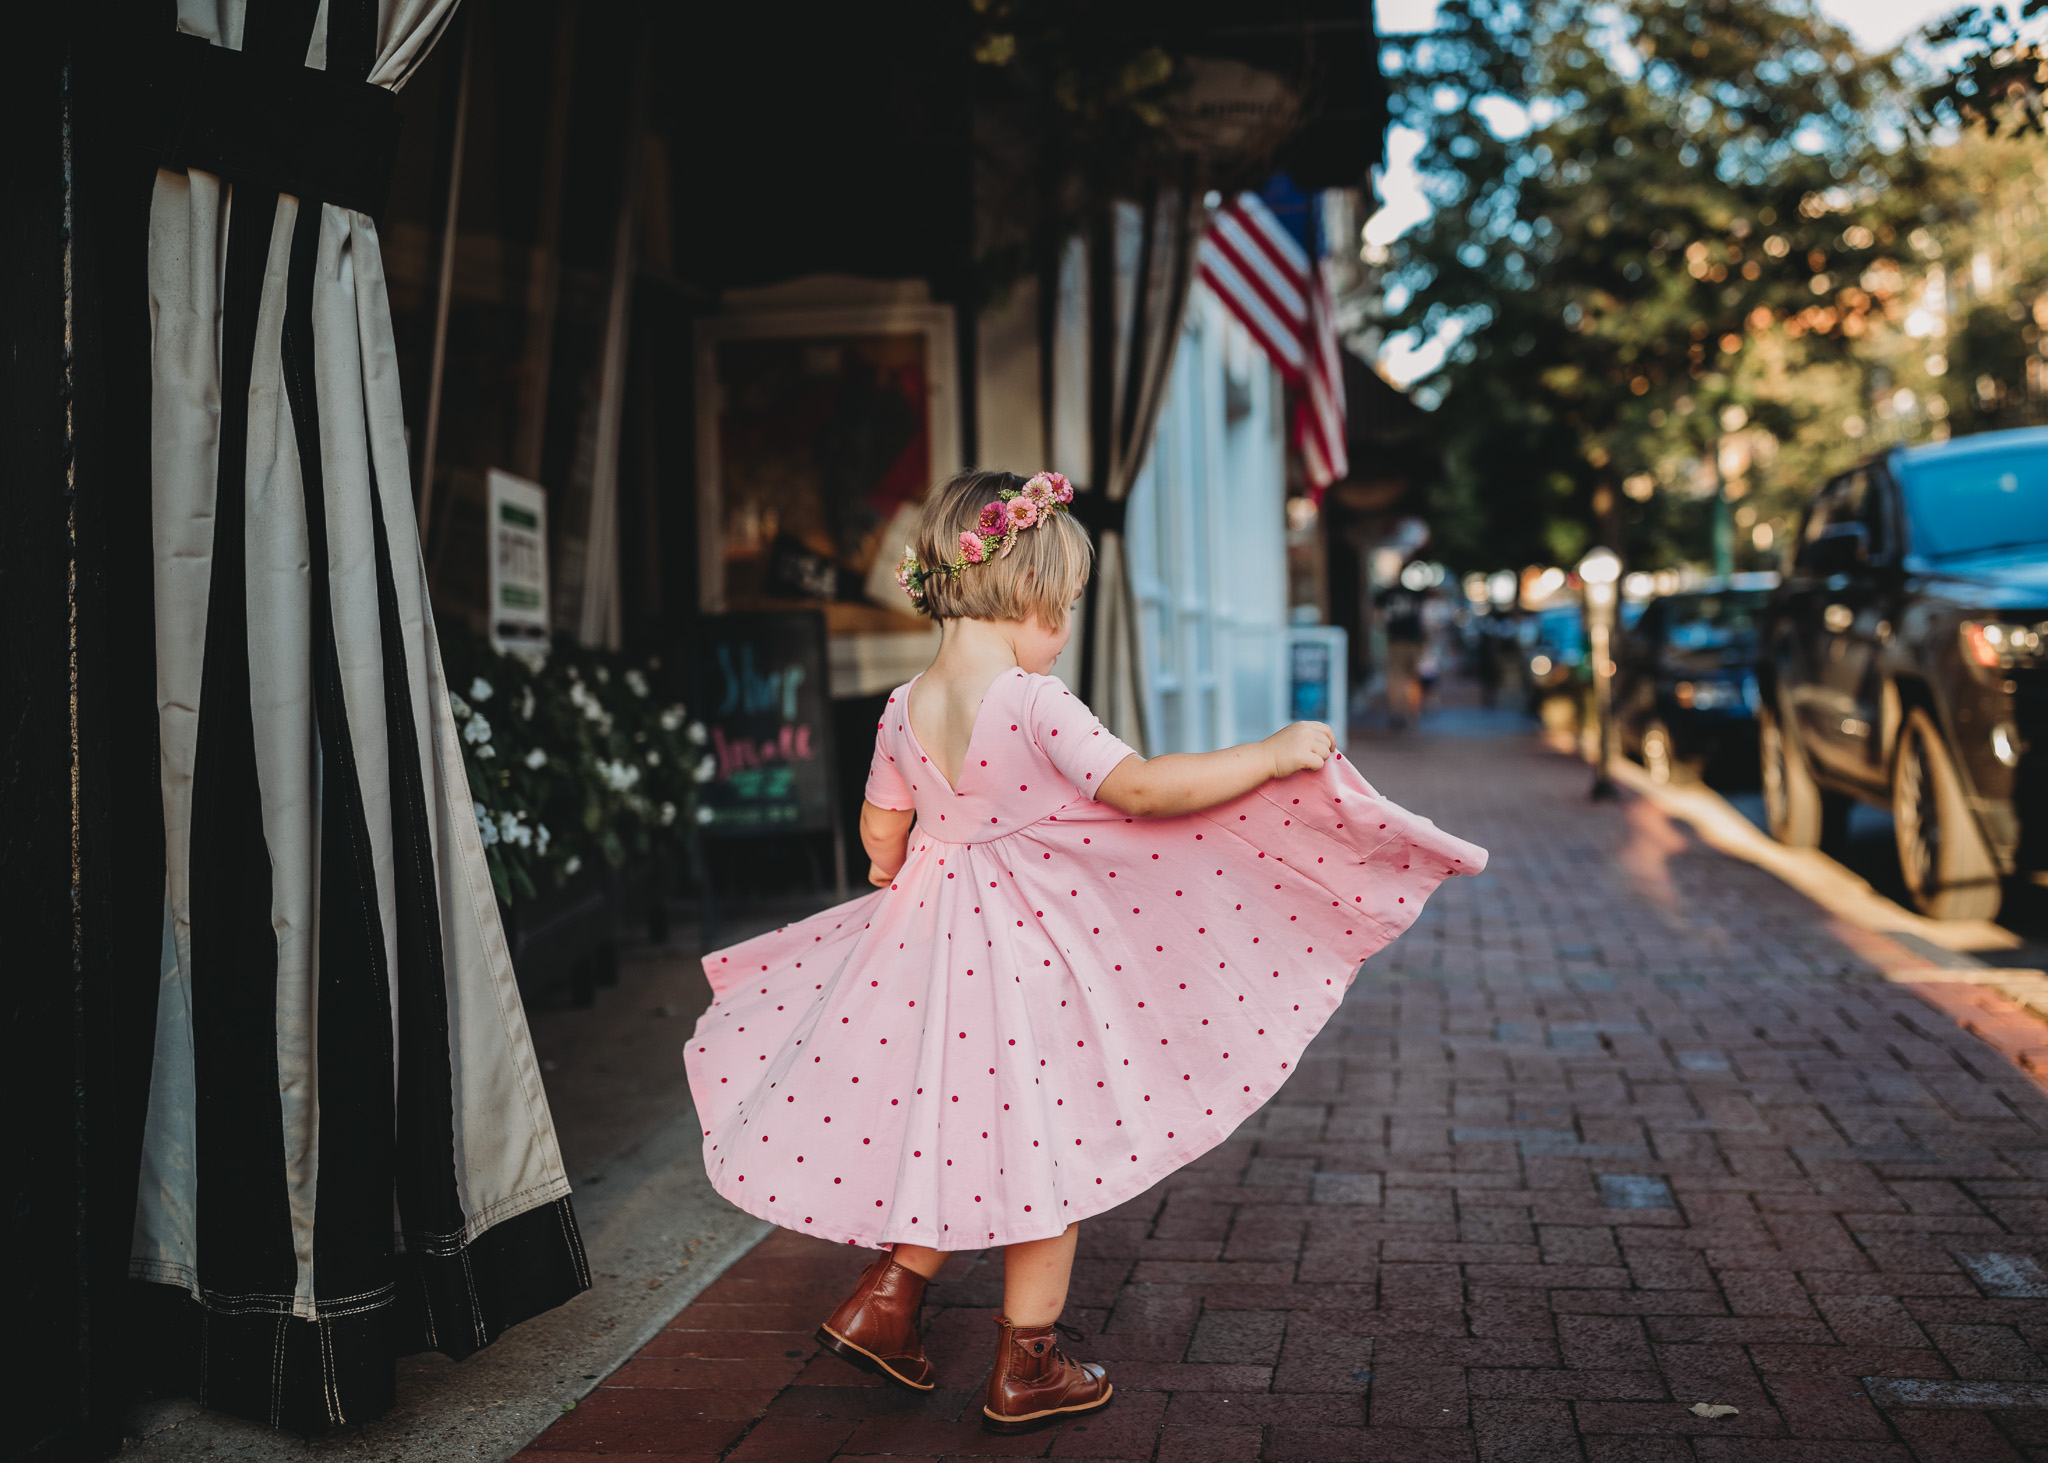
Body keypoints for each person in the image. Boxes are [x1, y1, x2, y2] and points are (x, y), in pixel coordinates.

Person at [684, 470, 1487, 1435]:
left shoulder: (900, 706)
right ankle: (1027, 1365)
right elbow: (1144, 789)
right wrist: (1272, 756)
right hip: (1027, 961)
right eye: (1061, 607)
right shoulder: (1031, 699)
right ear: (1023, 593)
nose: (1060, 626)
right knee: (1044, 1153)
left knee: (957, 1130)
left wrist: (904, 860)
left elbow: (878, 837)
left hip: (930, 958)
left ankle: (885, 1301)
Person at [1376, 575, 1426, 729]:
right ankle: (1413, 712)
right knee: (1413, 677)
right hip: (1414, 640)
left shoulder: (1386, 594)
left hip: (1396, 640)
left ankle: (1397, 712)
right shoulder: (1415, 593)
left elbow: (1377, 617)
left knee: (1396, 677)